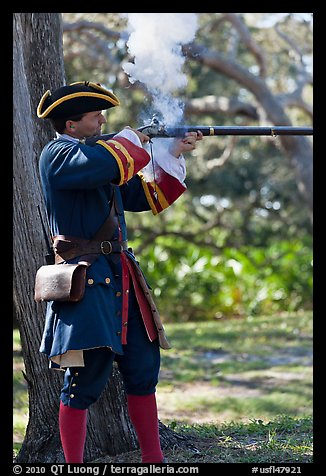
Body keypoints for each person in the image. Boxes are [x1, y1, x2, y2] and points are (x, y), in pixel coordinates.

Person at [36, 81, 203, 464]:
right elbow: (107, 163)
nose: (103, 120)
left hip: (121, 278)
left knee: (143, 370)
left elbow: (144, 196)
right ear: (72, 124)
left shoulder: (98, 158)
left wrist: (171, 151)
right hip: (87, 281)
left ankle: (153, 460)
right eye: (96, 116)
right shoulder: (59, 154)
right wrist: (136, 138)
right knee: (83, 383)